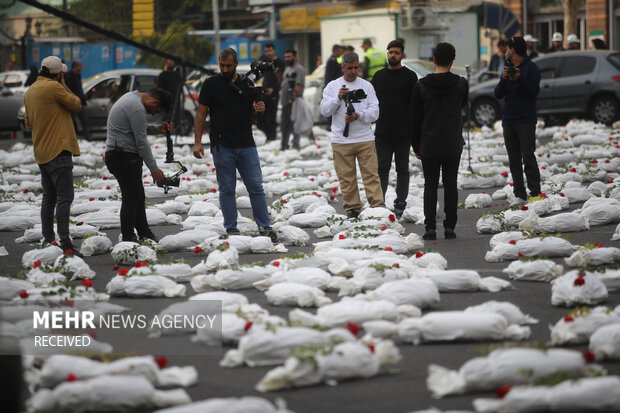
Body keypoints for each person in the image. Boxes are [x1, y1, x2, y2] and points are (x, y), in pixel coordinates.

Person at [192, 48, 277, 241]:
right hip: (222, 145)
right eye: (222, 65)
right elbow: (200, 114)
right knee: (227, 189)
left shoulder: (247, 83)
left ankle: (264, 227)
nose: (225, 69)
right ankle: (231, 228)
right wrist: (197, 142)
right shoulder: (211, 84)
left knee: (256, 186)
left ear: (236, 63)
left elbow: (254, 114)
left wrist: (259, 108)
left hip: (246, 144)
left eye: (229, 65)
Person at [24, 56, 83, 254]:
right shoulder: (54, 87)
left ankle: (49, 239)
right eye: (62, 74)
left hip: (41, 152)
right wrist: (65, 85)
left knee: (49, 198)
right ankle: (65, 242)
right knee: (65, 198)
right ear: (58, 74)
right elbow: (77, 104)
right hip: (59, 150)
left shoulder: (31, 90)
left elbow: (29, 123)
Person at [411, 43, 468, 241]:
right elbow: (463, 106)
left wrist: (416, 146)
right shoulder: (461, 84)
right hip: (452, 142)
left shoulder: (421, 85)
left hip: (429, 141)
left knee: (430, 184)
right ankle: (450, 226)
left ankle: (430, 227)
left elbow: (415, 118)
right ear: (452, 62)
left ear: (433, 60)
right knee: (450, 183)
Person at [320, 52, 384, 219]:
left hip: (364, 138)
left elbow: (375, 111)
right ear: (342, 68)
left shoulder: (367, 86)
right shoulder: (332, 86)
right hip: (341, 140)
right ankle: (352, 210)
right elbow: (324, 111)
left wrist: (358, 116)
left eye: (356, 67)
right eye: (350, 68)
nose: (353, 71)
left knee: (371, 175)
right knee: (346, 178)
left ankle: (377, 207)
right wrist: (338, 98)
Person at [105, 88, 172, 243]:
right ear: (154, 102)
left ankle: (144, 232)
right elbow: (141, 141)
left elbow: (138, 127)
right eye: (156, 111)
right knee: (131, 197)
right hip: (122, 156)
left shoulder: (132, 99)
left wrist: (157, 128)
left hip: (122, 155)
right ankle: (128, 237)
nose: (153, 114)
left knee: (137, 195)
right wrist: (154, 169)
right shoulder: (136, 107)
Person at [371, 39, 418, 218]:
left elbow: (415, 106)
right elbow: (370, 103)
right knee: (382, 168)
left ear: (402, 55)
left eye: (396, 52)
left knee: (402, 169)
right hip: (382, 132)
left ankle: (400, 201)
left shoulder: (410, 77)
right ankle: (380, 203)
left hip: (403, 132)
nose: (392, 55)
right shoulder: (378, 76)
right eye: (390, 52)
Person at [494, 36, 541, 203]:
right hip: (509, 120)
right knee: (513, 159)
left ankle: (535, 193)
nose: (506, 52)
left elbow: (533, 91)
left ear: (512, 50)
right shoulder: (508, 68)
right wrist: (504, 78)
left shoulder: (531, 68)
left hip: (526, 120)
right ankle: (519, 194)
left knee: (528, 156)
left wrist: (520, 78)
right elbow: (498, 93)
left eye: (507, 49)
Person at [280, 49, 306, 150]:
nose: (287, 59)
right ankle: (284, 145)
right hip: (285, 101)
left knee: (294, 125)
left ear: (295, 57)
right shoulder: (288, 69)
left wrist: (293, 98)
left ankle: (295, 146)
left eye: (289, 57)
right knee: (284, 125)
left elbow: (299, 85)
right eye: (286, 57)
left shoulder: (299, 69)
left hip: (293, 102)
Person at [259, 42, 285, 141]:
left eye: (270, 51)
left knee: (272, 117)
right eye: (266, 51)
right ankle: (267, 136)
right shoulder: (264, 61)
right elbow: (261, 75)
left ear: (274, 51)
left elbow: (282, 80)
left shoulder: (280, 62)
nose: (268, 53)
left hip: (274, 92)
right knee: (263, 117)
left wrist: (273, 89)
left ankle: (272, 138)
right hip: (264, 92)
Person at [64, 60, 91, 140]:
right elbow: (69, 90)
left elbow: (80, 89)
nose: (82, 67)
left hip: (80, 102)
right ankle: (73, 138)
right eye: (80, 65)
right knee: (73, 122)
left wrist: (82, 100)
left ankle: (87, 138)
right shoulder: (69, 76)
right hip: (73, 102)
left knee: (84, 121)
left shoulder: (78, 75)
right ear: (76, 66)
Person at [157, 59, 182, 133]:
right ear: (165, 63)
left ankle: (178, 133)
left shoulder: (176, 75)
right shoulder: (162, 75)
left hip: (176, 100)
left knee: (176, 118)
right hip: (166, 101)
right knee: (166, 118)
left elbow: (180, 87)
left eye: (172, 63)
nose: (171, 64)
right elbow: (160, 89)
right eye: (169, 62)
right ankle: (166, 133)